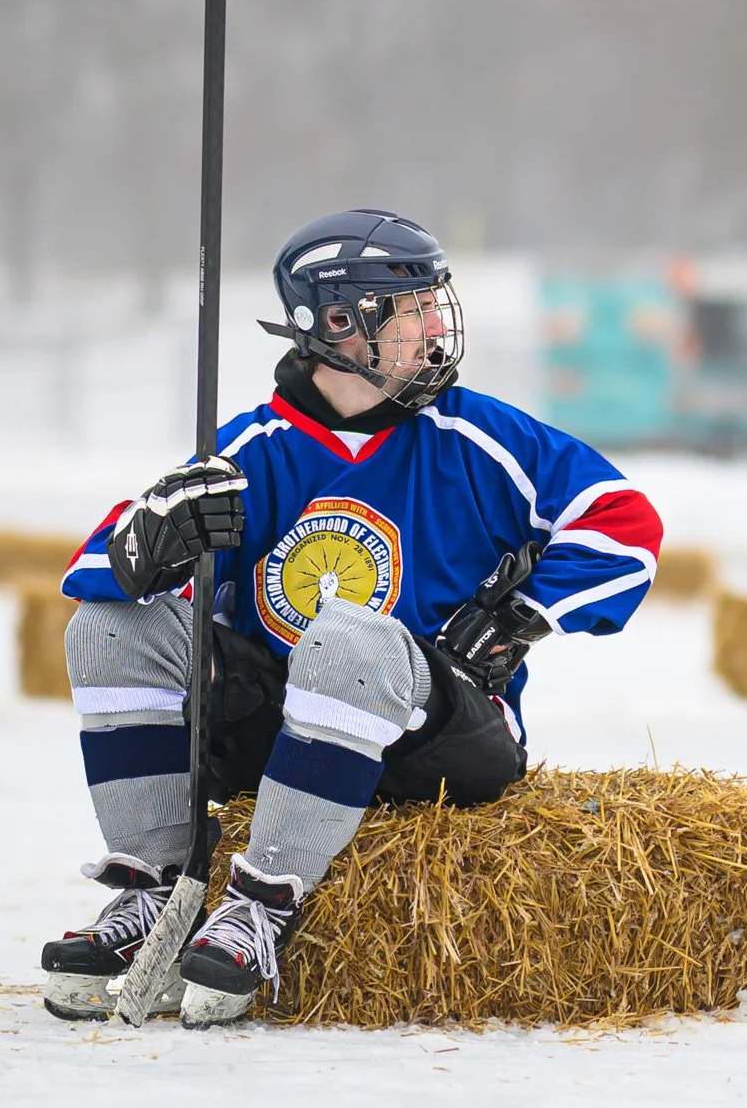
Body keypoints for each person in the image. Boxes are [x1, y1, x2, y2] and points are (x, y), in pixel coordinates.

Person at [40, 209, 663, 1028]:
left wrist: (524, 614)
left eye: (435, 305)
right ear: (339, 325)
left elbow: (622, 523)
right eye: (410, 311)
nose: (435, 328)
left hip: (441, 740)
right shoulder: (251, 451)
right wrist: (146, 540)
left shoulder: (480, 435)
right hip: (290, 737)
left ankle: (262, 906)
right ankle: (155, 894)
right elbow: (104, 578)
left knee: (344, 637)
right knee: (108, 625)